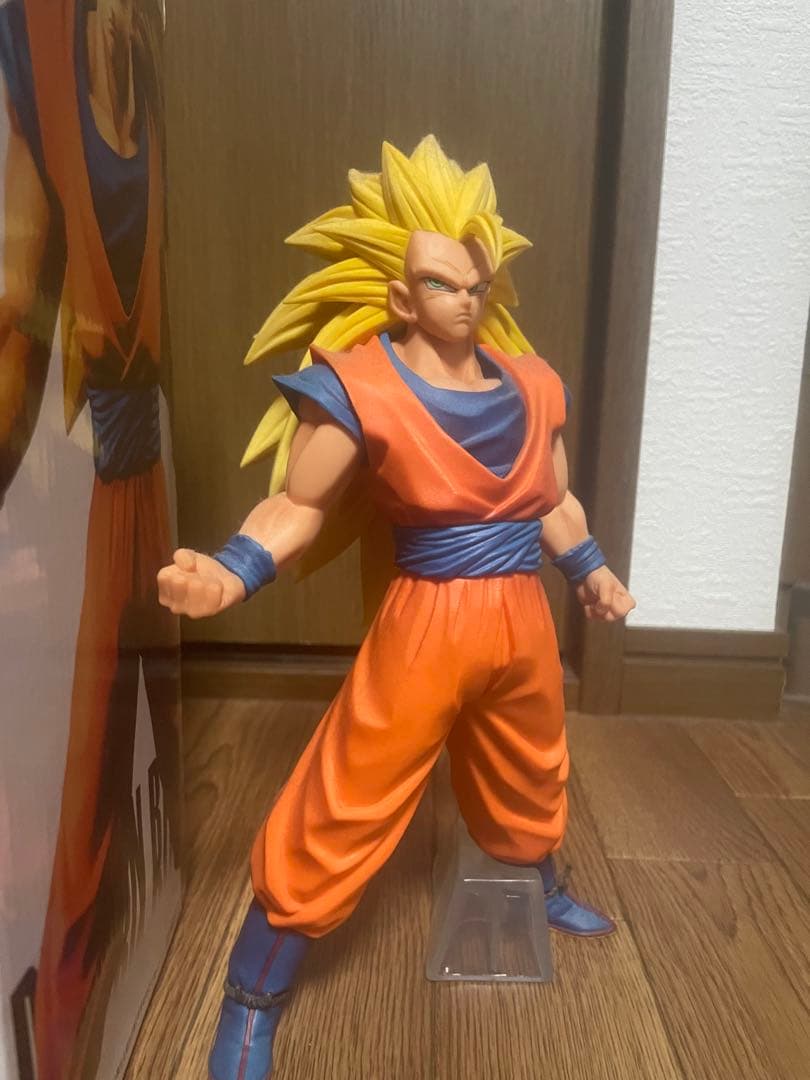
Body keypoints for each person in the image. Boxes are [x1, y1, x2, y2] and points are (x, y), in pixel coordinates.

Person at [157, 136, 636, 1080]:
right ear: (401, 296)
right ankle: (252, 993)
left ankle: (539, 883)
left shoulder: (534, 385)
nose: (464, 300)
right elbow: (299, 503)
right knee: (349, 793)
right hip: (426, 627)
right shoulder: (360, 387)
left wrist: (591, 571)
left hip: (521, 616)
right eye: (440, 283)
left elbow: (552, 500)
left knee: (533, 760)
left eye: (476, 284)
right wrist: (234, 570)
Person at [0, 3, 181, 1077]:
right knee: (75, 810)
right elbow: (14, 300)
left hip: (142, 465)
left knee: (141, 768)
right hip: (87, 473)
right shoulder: (34, 33)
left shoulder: (143, 38)